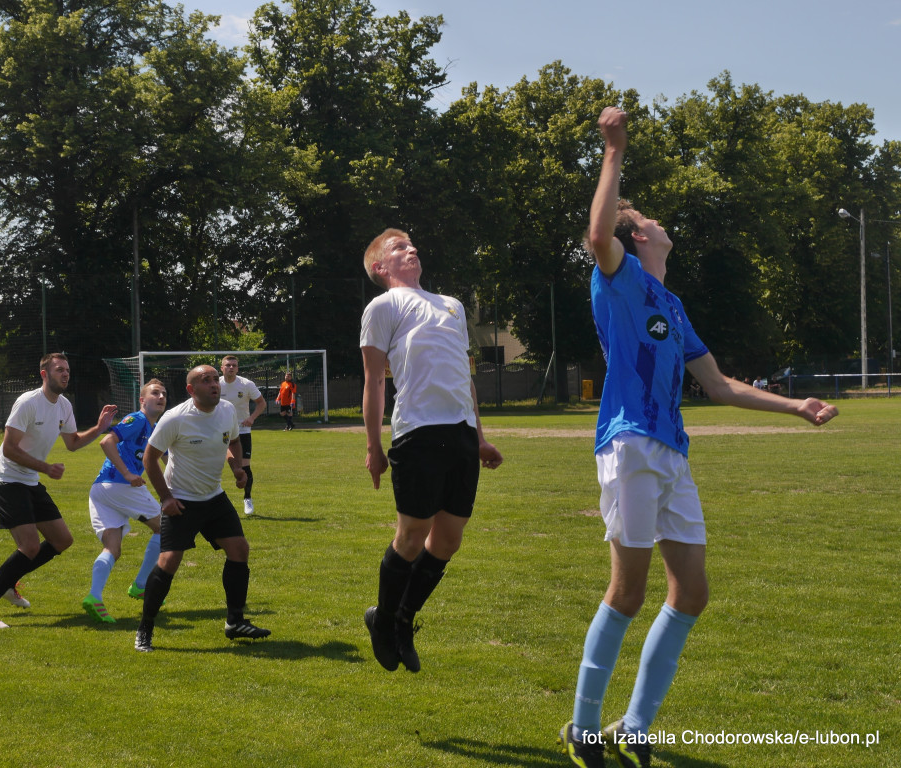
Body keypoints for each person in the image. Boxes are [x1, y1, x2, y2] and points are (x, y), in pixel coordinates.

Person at [558, 107, 839, 768]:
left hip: (672, 453)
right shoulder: (620, 280)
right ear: (636, 237)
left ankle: (634, 726)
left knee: (692, 593)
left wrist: (796, 406)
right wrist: (613, 151)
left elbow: (719, 385)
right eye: (649, 219)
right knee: (627, 592)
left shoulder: (673, 307)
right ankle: (582, 726)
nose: (660, 223)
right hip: (628, 444)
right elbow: (597, 230)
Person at [360, 228, 504, 673]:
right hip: (417, 431)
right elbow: (374, 382)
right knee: (411, 535)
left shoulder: (452, 305)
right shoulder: (382, 307)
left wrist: (479, 436)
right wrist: (374, 446)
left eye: (412, 245)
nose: (412, 250)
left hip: (460, 432)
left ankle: (403, 618)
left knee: (448, 540)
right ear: (379, 268)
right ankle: (384, 621)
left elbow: (464, 375)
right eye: (399, 248)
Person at [0, 353, 118, 629]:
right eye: (59, 370)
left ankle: (7, 583)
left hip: (30, 481)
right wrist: (45, 467)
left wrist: (99, 428)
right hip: (8, 480)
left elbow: (72, 442)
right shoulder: (28, 403)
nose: (65, 374)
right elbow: (9, 448)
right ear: (44, 374)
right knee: (29, 546)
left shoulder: (64, 405)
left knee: (62, 540)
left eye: (67, 371)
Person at [134, 364, 271, 652]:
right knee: (168, 562)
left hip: (214, 497)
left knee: (239, 550)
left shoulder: (227, 410)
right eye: (205, 380)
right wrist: (166, 499)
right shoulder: (175, 418)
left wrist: (237, 467)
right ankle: (145, 628)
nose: (213, 384)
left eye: (214, 379)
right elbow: (150, 459)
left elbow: (233, 440)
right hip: (182, 500)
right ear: (190, 389)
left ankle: (235, 622)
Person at [82, 378, 168, 623]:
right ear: (142, 400)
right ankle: (141, 584)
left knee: (112, 548)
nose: (161, 397)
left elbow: (166, 459)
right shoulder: (138, 419)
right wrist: (129, 474)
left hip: (101, 490)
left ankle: (94, 597)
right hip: (118, 485)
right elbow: (106, 441)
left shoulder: (153, 429)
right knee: (165, 528)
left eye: (164, 394)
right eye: (155, 393)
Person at [219, 355, 266, 516]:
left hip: (242, 431)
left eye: (234, 365)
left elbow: (262, 403)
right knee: (212, 466)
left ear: (237, 368)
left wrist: (252, 418)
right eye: (228, 365)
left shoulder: (246, 384)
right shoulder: (216, 384)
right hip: (218, 431)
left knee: (244, 467)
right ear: (222, 368)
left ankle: (247, 498)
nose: (231, 367)